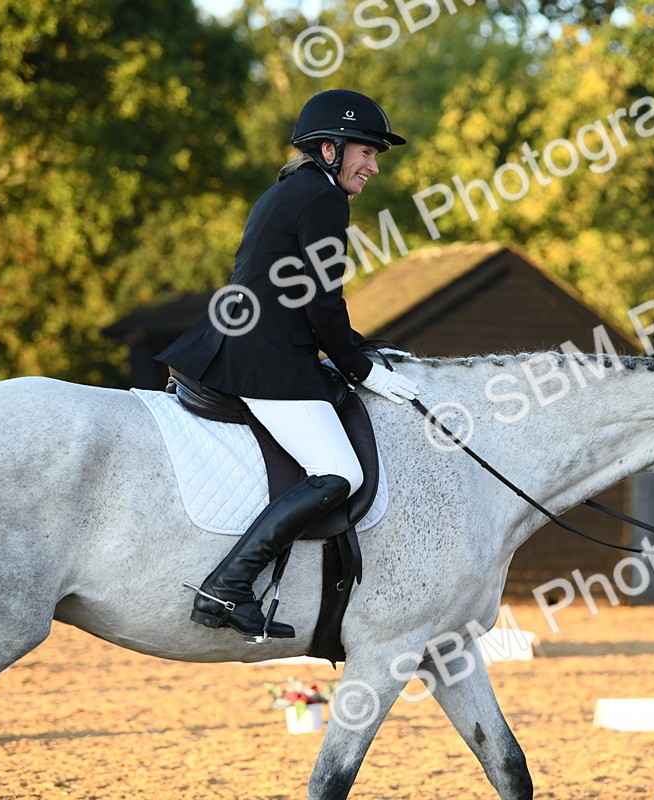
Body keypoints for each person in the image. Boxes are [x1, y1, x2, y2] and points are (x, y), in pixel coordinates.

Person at [158, 89, 419, 641]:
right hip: (266, 357)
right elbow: (322, 300)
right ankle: (228, 584)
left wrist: (352, 349)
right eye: (366, 153)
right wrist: (361, 368)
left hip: (243, 339)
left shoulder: (293, 190)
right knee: (342, 474)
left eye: (376, 156)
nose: (374, 166)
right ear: (329, 149)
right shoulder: (323, 200)